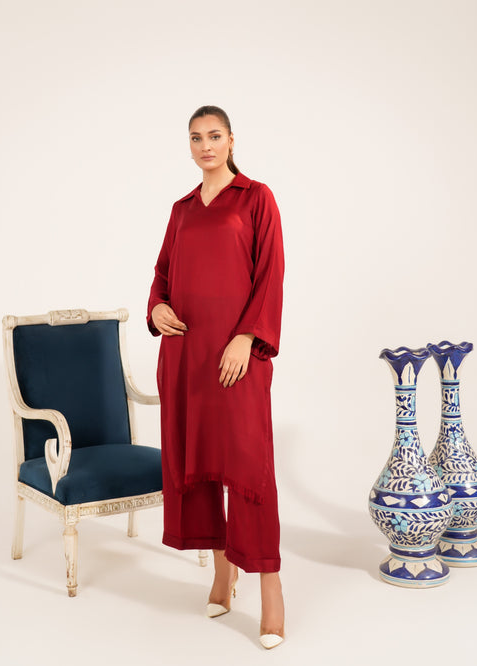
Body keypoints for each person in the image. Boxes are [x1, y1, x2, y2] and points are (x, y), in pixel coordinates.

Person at [146, 105, 285, 649]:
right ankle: (223, 575)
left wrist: (247, 338)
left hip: (237, 357)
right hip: (186, 356)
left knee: (249, 465)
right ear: (189, 145)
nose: (205, 145)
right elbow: (162, 273)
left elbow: (270, 273)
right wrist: (157, 307)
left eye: (214, 136)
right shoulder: (181, 209)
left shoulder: (255, 198)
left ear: (231, 141)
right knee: (200, 462)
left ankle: (270, 590)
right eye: (196, 137)